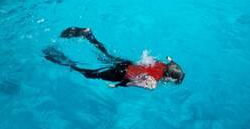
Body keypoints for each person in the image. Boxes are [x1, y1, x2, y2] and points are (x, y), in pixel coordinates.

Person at [43, 27, 185, 90]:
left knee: (106, 55)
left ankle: (89, 35)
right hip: (121, 74)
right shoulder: (154, 83)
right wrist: (118, 86)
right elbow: (133, 83)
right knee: (89, 74)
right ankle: (59, 59)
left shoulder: (162, 63)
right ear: (169, 77)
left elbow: (151, 62)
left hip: (127, 64)